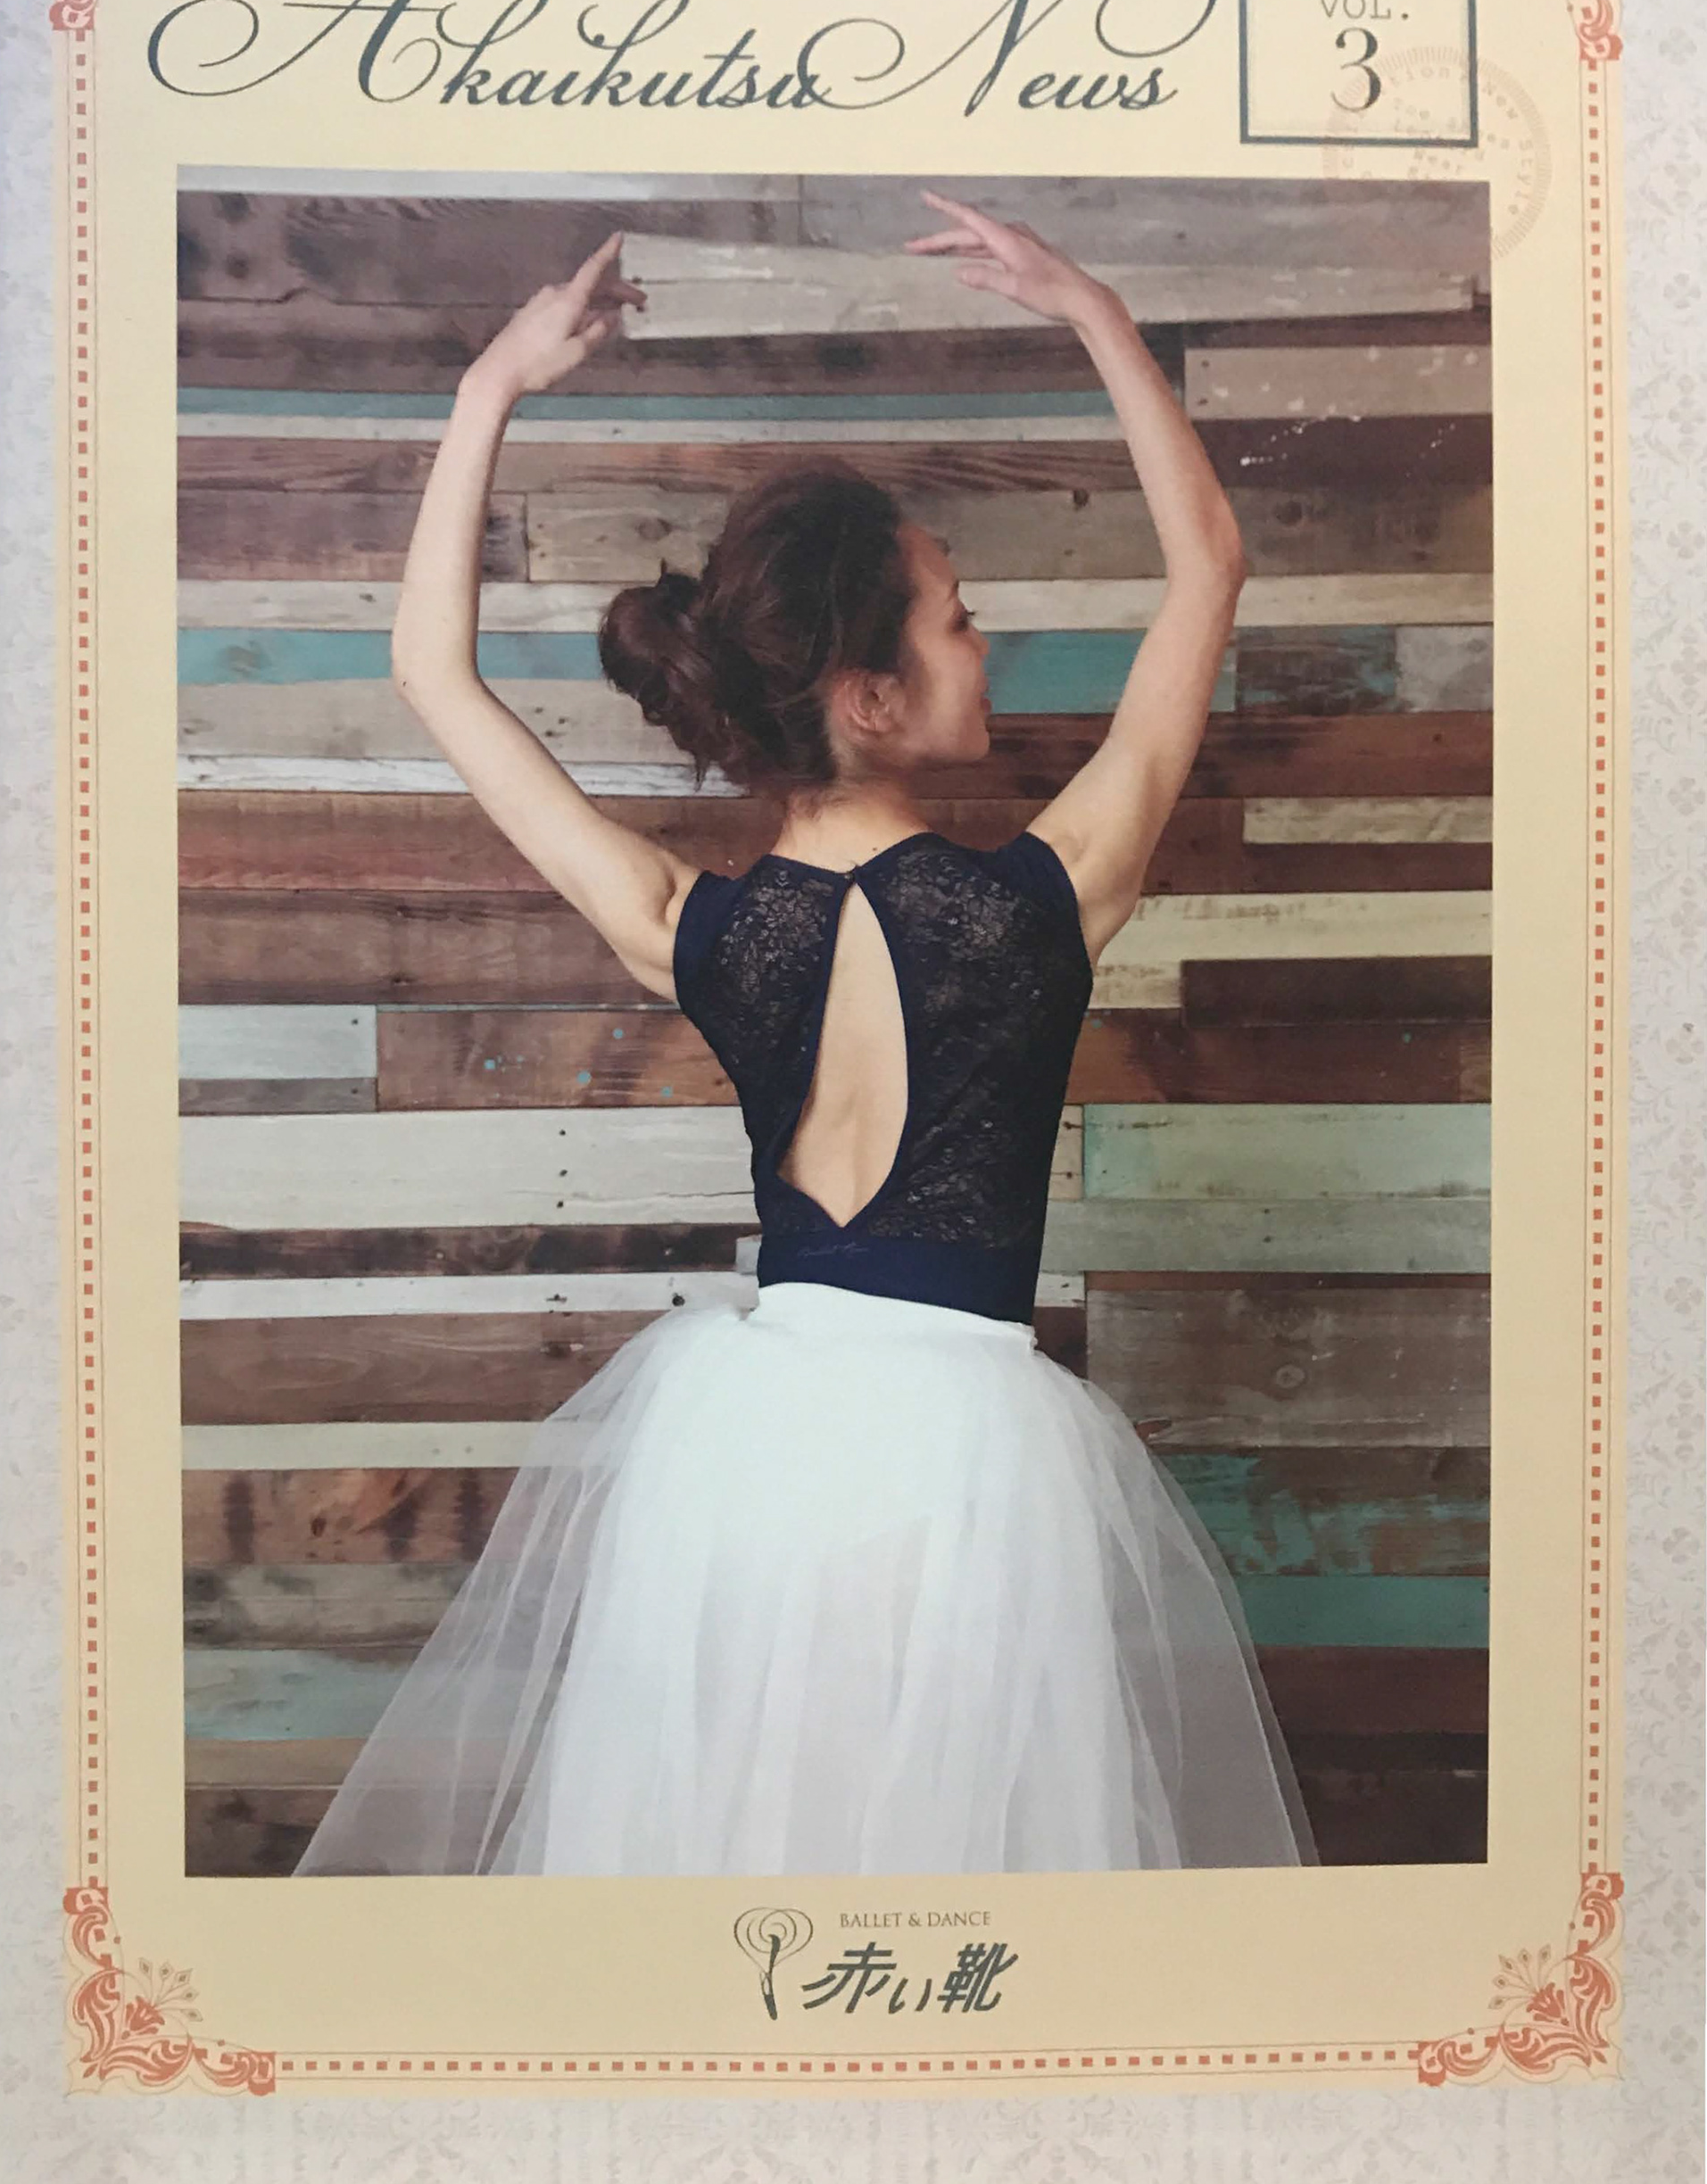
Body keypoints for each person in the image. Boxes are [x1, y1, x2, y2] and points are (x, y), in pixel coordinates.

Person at [292, 191, 1318, 1878]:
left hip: (746, 1474)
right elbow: (1209, 566)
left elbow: (431, 674)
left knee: (728, 1887)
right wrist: (1092, 312)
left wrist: (491, 388)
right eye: (959, 618)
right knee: (963, 1911)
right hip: (970, 1479)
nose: (984, 644)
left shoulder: (693, 926)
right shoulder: (1046, 901)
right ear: (873, 695)